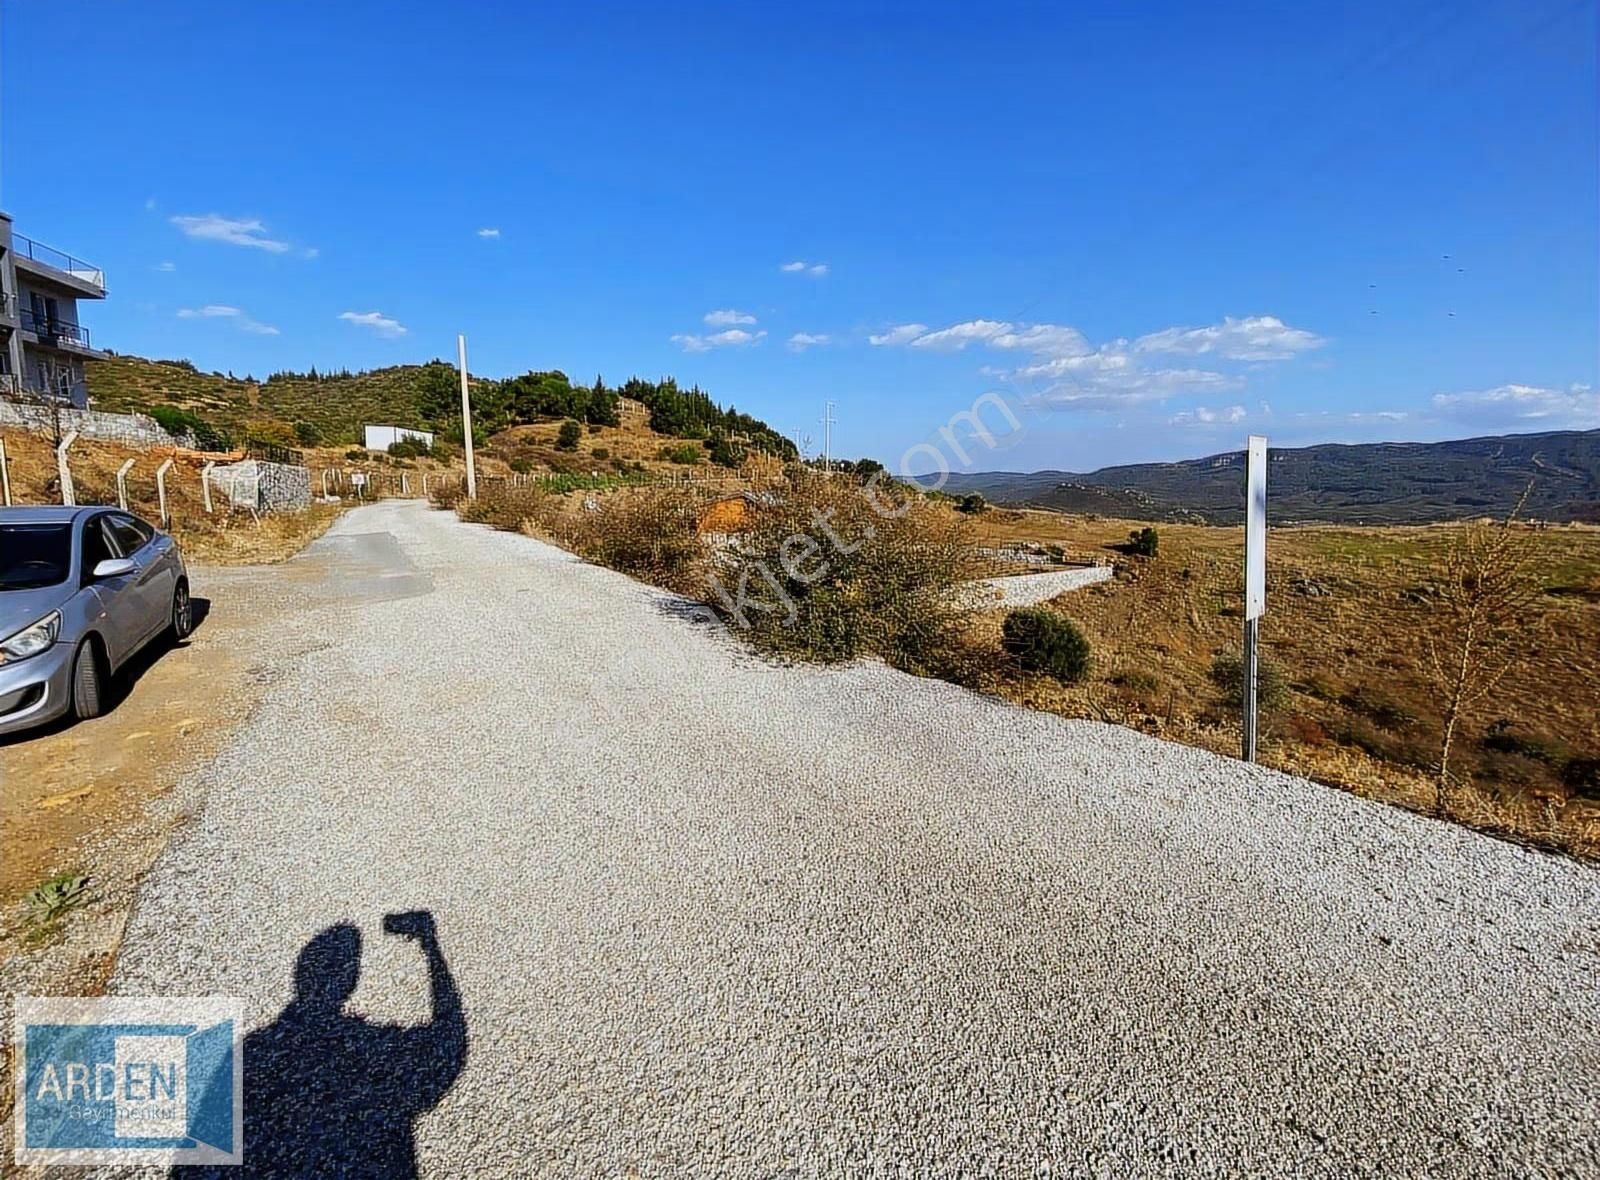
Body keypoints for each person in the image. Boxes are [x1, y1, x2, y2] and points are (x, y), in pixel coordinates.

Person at [178, 911, 466, 1179]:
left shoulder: (249, 1054)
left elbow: (194, 1158)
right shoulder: (370, 1049)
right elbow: (448, 1043)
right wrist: (429, 945)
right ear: (351, 981)